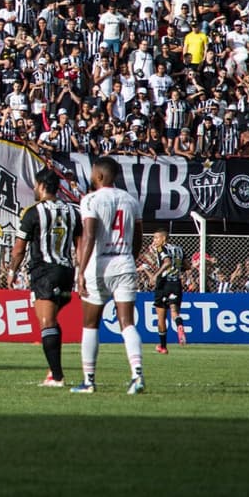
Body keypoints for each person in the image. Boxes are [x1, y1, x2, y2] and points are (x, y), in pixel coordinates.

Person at [74, 158, 145, 395]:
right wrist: (131, 258)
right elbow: (138, 236)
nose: (91, 176)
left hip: (99, 265)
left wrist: (81, 271)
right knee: (127, 323)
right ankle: (137, 374)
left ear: (100, 175)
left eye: (93, 172)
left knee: (90, 324)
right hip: (124, 262)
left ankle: (89, 381)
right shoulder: (131, 200)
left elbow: (89, 235)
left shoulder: (91, 200)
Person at [6, 168, 77, 387]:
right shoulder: (73, 210)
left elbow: (19, 249)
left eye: (36, 185)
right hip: (67, 272)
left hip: (45, 271)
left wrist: (12, 271)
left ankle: (57, 376)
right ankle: (53, 371)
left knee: (46, 322)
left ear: (43, 186)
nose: (34, 189)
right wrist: (81, 270)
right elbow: (81, 243)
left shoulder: (33, 212)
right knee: (52, 321)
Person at [149, 228, 187, 354]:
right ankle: (179, 325)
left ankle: (163, 347)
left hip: (163, 283)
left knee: (161, 317)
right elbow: (187, 265)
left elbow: (167, 262)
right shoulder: (179, 249)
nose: (154, 240)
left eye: (156, 238)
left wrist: (156, 275)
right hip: (176, 283)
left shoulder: (161, 248)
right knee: (174, 312)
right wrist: (177, 269)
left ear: (164, 238)